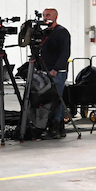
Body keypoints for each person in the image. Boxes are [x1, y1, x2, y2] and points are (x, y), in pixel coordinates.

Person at [39, 8, 71, 138]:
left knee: (56, 99)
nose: (45, 17)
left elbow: (65, 53)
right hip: (45, 70)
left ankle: (56, 127)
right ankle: (55, 127)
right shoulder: (44, 33)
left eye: (48, 15)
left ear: (55, 17)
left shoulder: (61, 32)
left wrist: (55, 69)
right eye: (44, 15)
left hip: (56, 72)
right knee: (48, 100)